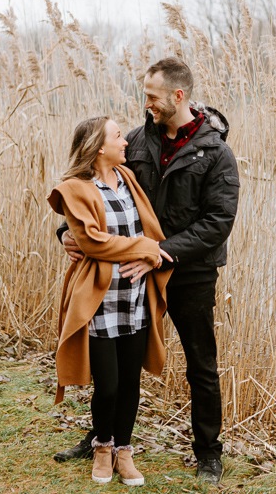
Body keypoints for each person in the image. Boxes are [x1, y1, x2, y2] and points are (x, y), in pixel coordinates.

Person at [54, 57, 240, 484]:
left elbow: (218, 222)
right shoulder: (136, 141)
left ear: (178, 95)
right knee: (117, 359)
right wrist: (67, 231)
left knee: (201, 364)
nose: (146, 103)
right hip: (131, 275)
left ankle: (209, 453)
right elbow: (97, 192)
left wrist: (159, 251)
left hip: (189, 272)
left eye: (153, 96)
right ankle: (103, 439)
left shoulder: (217, 153)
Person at [48, 116, 173, 485]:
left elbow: (147, 229)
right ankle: (102, 446)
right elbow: (91, 242)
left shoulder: (128, 179)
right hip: (100, 301)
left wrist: (151, 252)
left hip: (134, 297)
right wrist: (146, 248)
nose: (126, 142)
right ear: (99, 147)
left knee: (131, 383)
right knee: (109, 385)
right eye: (118, 136)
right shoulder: (75, 188)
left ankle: (124, 451)